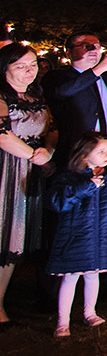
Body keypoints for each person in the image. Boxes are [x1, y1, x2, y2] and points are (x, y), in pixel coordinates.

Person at [46, 133, 107, 337]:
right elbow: (57, 202)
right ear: (84, 154)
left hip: (101, 241)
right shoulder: (69, 178)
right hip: (77, 239)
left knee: (92, 276)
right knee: (70, 278)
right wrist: (86, 187)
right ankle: (63, 321)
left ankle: (90, 312)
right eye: (101, 151)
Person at [1, 43, 54, 328]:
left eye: (32, 64)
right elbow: (2, 135)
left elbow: (52, 129)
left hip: (28, 171)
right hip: (5, 169)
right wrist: (34, 155)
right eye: (20, 65)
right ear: (5, 69)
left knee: (15, 235)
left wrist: (48, 151)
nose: (29, 70)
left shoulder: (37, 97)